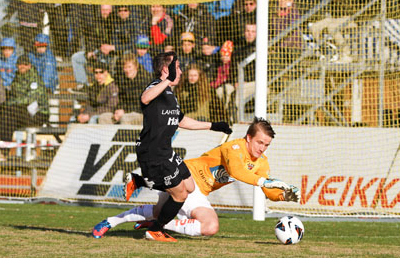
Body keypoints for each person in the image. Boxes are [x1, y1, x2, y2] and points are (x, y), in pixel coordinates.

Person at [93, 118, 299, 239]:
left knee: (157, 211)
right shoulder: (233, 147)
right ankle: (157, 219)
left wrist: (281, 196)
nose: (262, 148)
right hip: (189, 178)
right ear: (248, 138)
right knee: (210, 226)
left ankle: (111, 222)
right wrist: (265, 182)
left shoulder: (261, 161)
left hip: (194, 187)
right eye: (259, 142)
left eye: (266, 145)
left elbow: (267, 190)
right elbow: (237, 171)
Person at [120, 51, 233, 242]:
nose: (180, 72)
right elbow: (145, 98)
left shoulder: (171, 94)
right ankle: (155, 230)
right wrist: (166, 81)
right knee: (179, 194)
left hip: (166, 150)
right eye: (177, 67)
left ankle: (138, 181)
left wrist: (213, 126)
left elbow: (181, 120)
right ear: (166, 69)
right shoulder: (156, 86)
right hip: (153, 151)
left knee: (189, 186)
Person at [0, 59, 49, 142]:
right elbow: (12, 97)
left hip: (37, 114)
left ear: (29, 66)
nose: (22, 66)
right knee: (9, 119)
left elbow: (30, 99)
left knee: (11, 111)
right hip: (20, 113)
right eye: (20, 64)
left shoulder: (35, 79)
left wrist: (13, 103)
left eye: (25, 64)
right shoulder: (16, 79)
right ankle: (3, 150)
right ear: (17, 66)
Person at [111, 53, 150, 125]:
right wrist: (118, 110)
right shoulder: (123, 80)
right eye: (125, 67)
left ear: (136, 66)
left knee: (125, 118)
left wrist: (124, 111)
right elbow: (122, 100)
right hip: (127, 111)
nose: (127, 70)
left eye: (129, 67)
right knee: (104, 117)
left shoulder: (145, 80)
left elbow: (143, 104)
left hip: (142, 113)